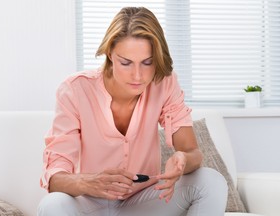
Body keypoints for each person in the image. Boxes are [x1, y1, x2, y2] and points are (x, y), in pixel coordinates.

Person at [38, 6, 228, 216]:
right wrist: (89, 182)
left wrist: (182, 160)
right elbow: (55, 178)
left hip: (143, 202)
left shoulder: (164, 83)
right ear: (110, 53)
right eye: (126, 62)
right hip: (90, 204)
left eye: (147, 62)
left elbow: (193, 153)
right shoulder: (74, 90)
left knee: (212, 181)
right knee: (52, 205)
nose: (138, 76)